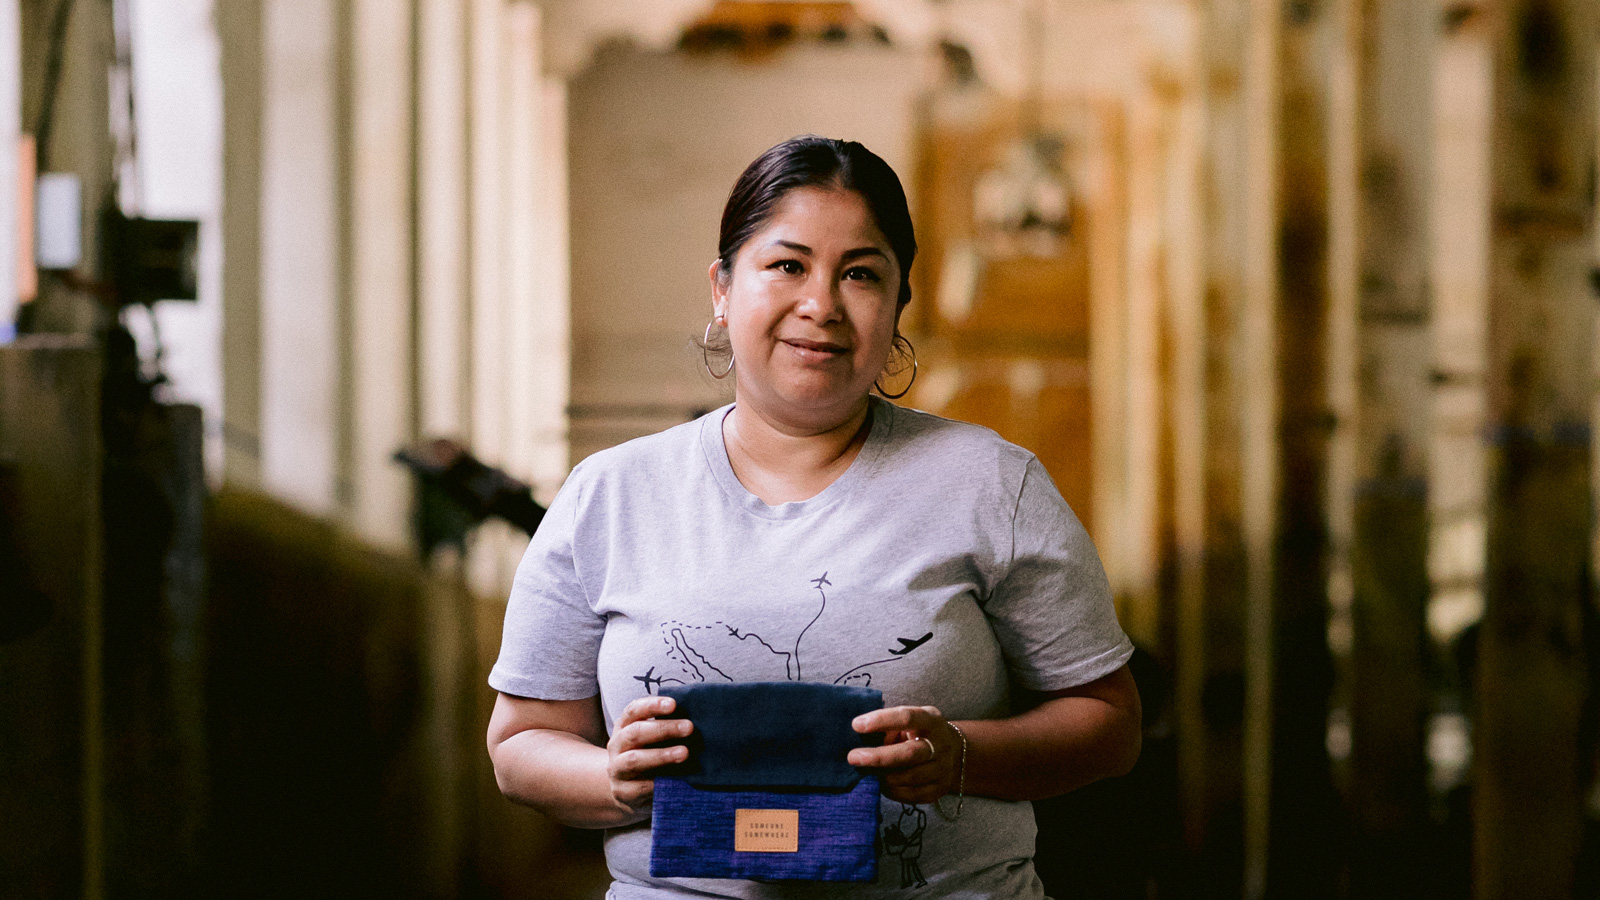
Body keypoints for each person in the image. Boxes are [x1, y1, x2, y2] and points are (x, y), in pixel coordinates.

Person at [486, 135, 1141, 898]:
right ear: (723, 288)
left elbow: (1109, 721)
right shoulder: (609, 496)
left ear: (899, 305)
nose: (821, 304)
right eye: (787, 265)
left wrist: (960, 754)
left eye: (860, 274)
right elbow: (521, 744)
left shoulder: (990, 483)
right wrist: (615, 776)